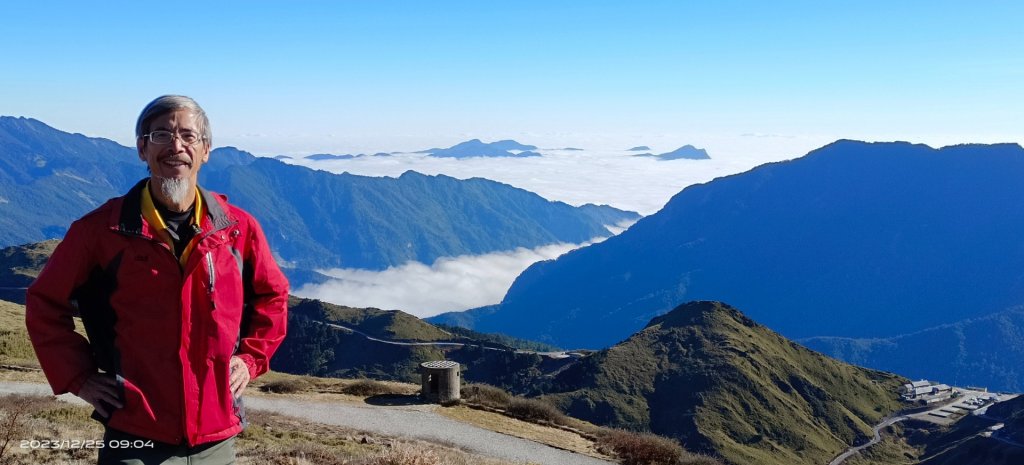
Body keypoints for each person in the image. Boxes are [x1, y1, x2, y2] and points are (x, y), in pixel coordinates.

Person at [26, 95, 289, 464]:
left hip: (216, 438)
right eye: (161, 134)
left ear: (206, 150)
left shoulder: (237, 229)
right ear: (142, 149)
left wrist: (251, 359)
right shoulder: (99, 232)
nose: (176, 146)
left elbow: (272, 296)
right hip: (135, 435)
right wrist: (78, 377)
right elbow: (44, 304)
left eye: (188, 136)